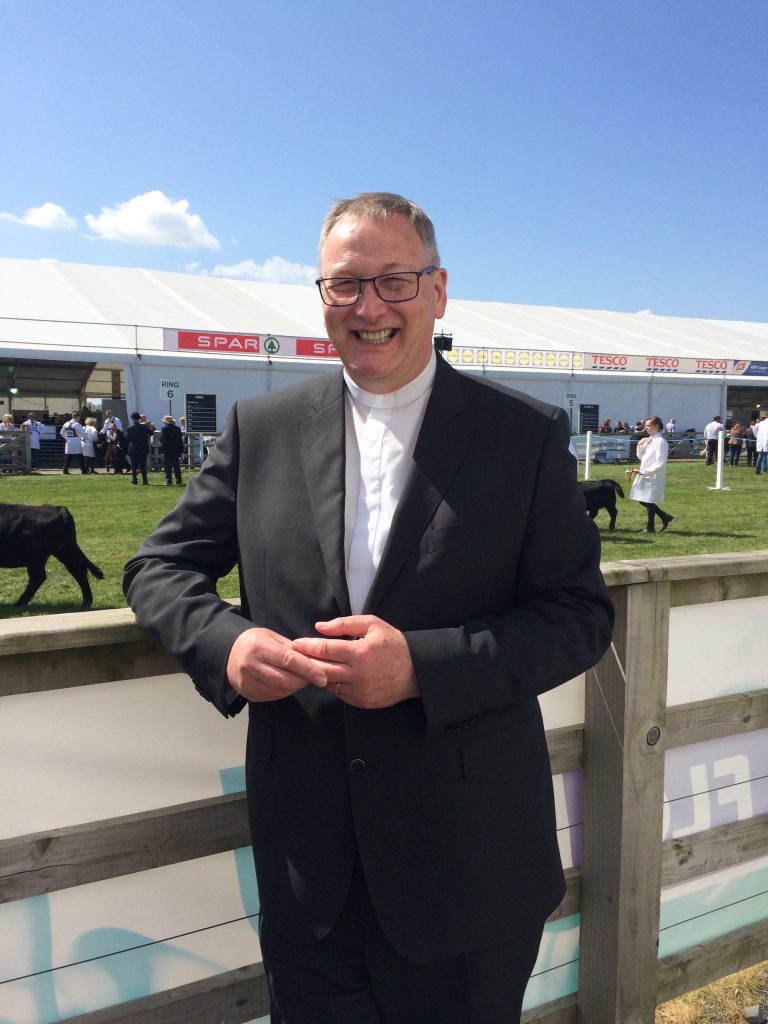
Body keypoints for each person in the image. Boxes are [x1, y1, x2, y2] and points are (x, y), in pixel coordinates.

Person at [123, 191, 614, 1024]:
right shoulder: (261, 429)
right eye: (345, 286)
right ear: (321, 298)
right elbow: (158, 565)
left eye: (395, 281)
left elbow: (579, 616)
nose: (369, 307)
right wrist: (228, 647)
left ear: (438, 290)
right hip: (308, 870)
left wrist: (422, 667)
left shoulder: (521, 436)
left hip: (468, 868)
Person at [629, 415, 673, 533]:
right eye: (646, 426)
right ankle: (664, 516)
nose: (646, 428)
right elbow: (640, 457)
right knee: (642, 498)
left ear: (656, 426)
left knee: (647, 500)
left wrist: (644, 472)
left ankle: (651, 527)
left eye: (648, 426)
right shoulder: (650, 440)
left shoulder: (660, 442)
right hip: (644, 473)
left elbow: (660, 463)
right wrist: (640, 444)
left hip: (653, 475)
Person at [125, 411, 153, 485]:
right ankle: (145, 480)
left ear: (132, 419)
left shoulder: (129, 428)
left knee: (134, 466)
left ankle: (134, 480)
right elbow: (151, 433)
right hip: (143, 448)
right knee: (143, 466)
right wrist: (148, 424)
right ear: (139, 418)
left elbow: (127, 439)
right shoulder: (143, 427)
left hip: (133, 448)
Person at [159, 414, 184, 485]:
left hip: (167, 450)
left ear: (165, 422)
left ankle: (169, 480)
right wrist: (181, 450)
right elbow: (180, 440)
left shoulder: (164, 429)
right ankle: (179, 480)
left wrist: (162, 452)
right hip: (176, 450)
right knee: (176, 466)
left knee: (167, 467)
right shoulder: (178, 429)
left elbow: (163, 441)